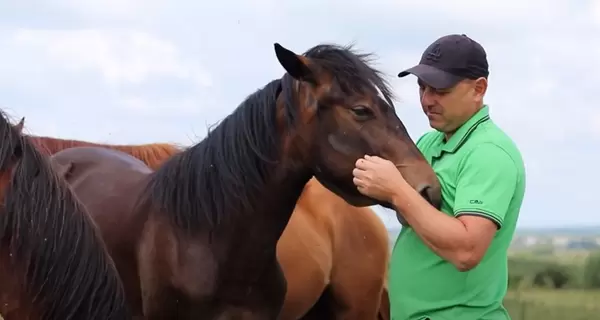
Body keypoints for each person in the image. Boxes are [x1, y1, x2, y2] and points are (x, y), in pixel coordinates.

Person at [352, 34, 526, 320]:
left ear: (478, 89)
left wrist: (396, 190)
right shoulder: (428, 144)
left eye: (440, 90)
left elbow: (466, 251)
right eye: (422, 87)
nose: (427, 100)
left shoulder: (489, 153)